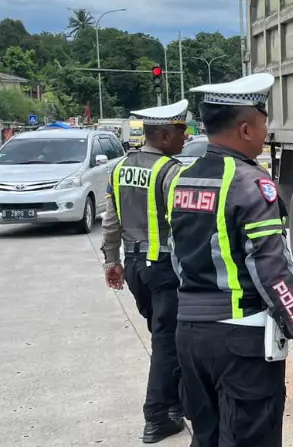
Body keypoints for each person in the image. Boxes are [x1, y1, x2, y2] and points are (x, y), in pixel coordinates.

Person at [168, 73, 293, 447]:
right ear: (245, 129)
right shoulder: (251, 184)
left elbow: (177, 258)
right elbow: (275, 273)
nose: (266, 132)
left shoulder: (182, 180)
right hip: (240, 341)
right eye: (263, 123)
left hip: (189, 336)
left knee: (206, 437)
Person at [100, 99, 189, 444]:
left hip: (136, 268)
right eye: (180, 131)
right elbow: (185, 226)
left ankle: (175, 404)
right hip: (165, 270)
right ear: (164, 135)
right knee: (168, 342)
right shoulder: (171, 171)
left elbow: (111, 221)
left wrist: (112, 260)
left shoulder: (120, 168)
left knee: (165, 337)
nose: (185, 137)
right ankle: (156, 417)